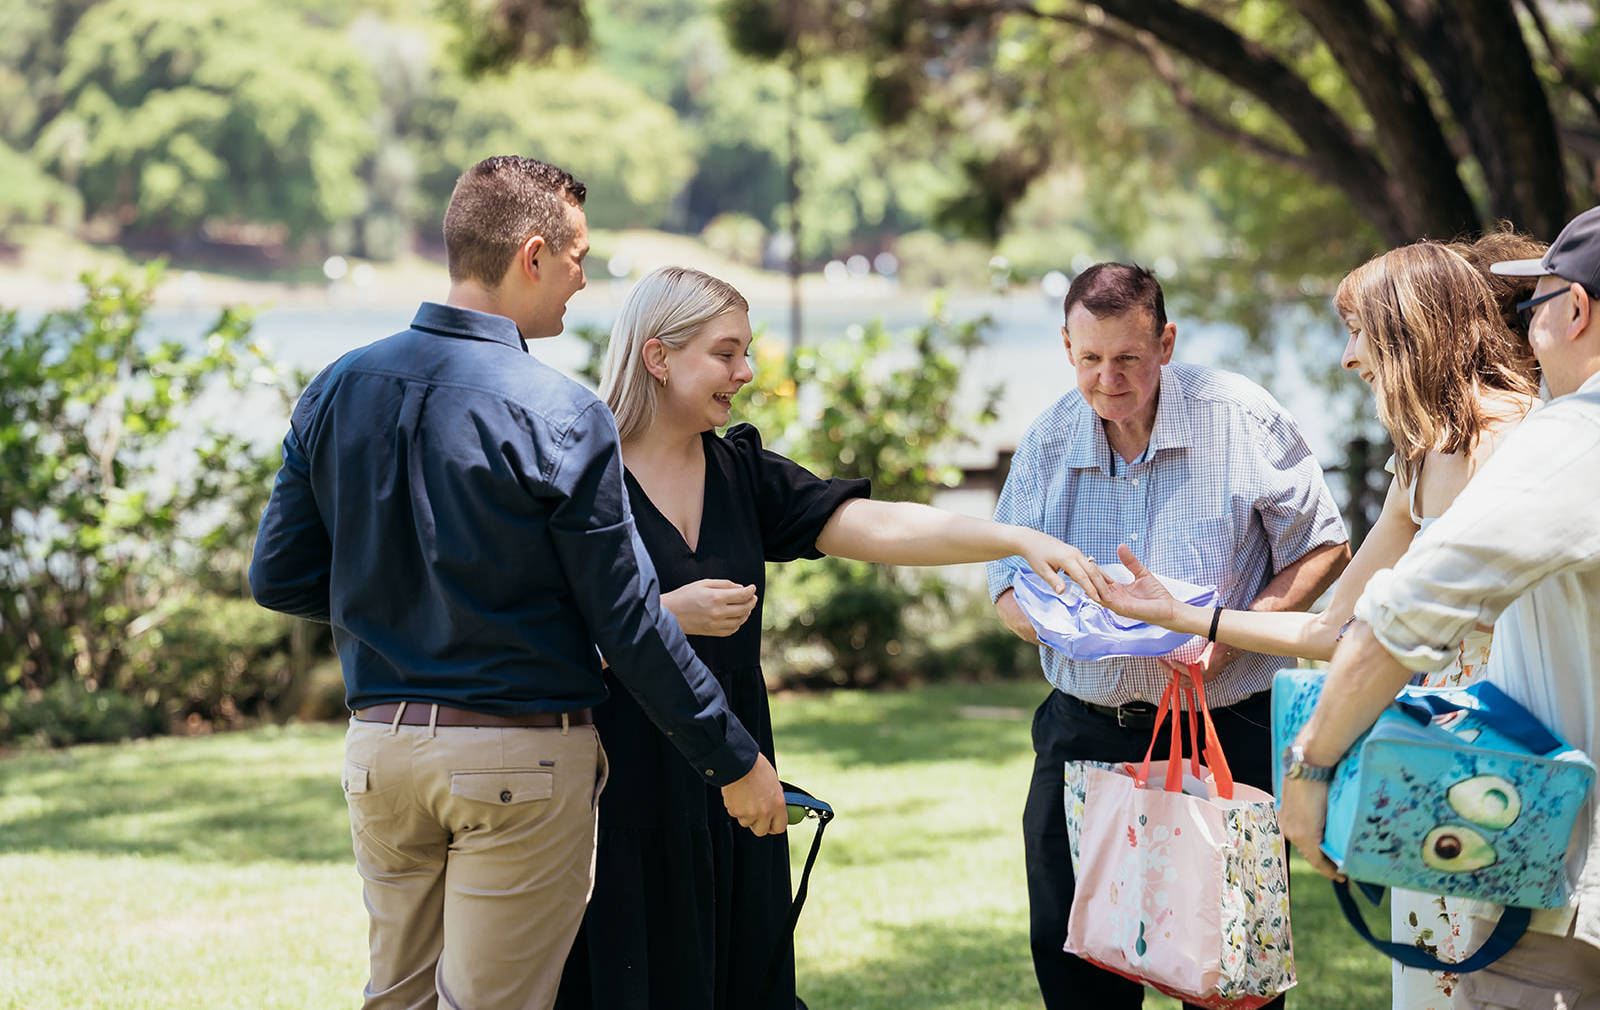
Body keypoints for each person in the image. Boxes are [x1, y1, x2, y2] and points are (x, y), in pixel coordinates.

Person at [249, 157, 786, 1010]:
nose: (582, 279)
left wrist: (406, 611)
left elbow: (278, 574)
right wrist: (733, 759)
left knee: (399, 1000)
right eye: (576, 257)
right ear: (532, 254)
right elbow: (631, 624)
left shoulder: (336, 386)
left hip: (380, 753)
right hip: (519, 760)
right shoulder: (560, 412)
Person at [555, 265, 1103, 1010]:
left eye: (745, 351)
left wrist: (1013, 536)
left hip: (739, 788)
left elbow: (877, 525)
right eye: (725, 353)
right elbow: (540, 641)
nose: (745, 372)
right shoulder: (582, 480)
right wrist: (662, 614)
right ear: (658, 356)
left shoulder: (740, 471)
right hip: (616, 802)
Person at [1095, 239, 1544, 1009]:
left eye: (1359, 329)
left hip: (1523, 758)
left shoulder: (1526, 443)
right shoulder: (1421, 462)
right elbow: (1341, 629)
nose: (1346, 357)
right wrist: (1186, 615)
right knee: (1438, 985)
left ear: (1411, 330)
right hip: (1430, 764)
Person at [984, 261, 1351, 1009]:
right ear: (1066, 347)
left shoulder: (1241, 417)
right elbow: (1003, 588)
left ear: (1167, 342)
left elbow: (1324, 546)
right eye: (1090, 359)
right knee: (1080, 974)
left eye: (1127, 358)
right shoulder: (1050, 437)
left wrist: (1230, 639)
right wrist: (1064, 627)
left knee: (1228, 980)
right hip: (1082, 737)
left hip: (1227, 735)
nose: (1107, 378)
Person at [1278, 205, 1600, 1008]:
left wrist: (1314, 764)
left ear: (1578, 310)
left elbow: (1401, 616)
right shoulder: (1444, 458)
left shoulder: (1567, 440)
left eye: (1536, 305)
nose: (1524, 330)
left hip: (1545, 849)